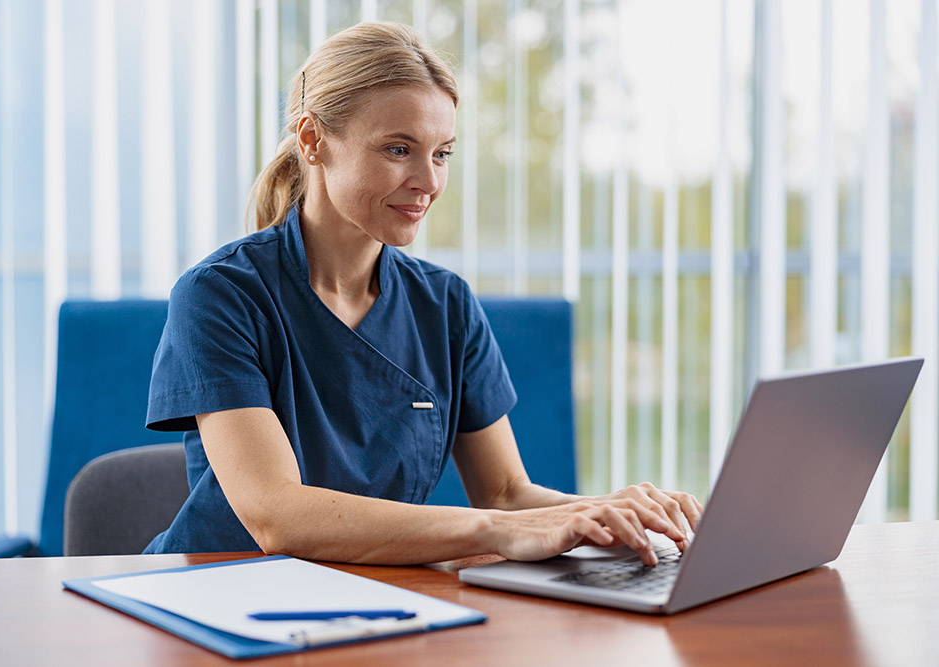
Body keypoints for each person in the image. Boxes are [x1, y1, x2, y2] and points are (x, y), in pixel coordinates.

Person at [144, 22, 702, 566]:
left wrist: (615, 512)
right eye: (398, 150)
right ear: (313, 140)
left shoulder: (447, 306)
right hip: (226, 600)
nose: (429, 182)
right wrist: (496, 531)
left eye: (441, 154)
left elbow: (506, 493)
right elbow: (277, 517)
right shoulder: (218, 297)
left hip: (379, 600)